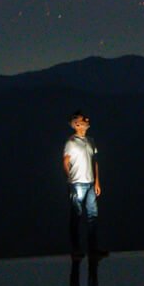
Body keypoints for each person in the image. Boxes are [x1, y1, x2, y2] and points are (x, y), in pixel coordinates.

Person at [63, 110, 103, 259]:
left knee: (92, 216)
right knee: (77, 216)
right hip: (78, 183)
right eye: (83, 119)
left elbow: (95, 162)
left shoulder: (91, 140)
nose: (87, 120)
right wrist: (70, 179)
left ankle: (93, 249)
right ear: (76, 124)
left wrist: (97, 181)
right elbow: (65, 162)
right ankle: (76, 249)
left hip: (91, 183)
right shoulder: (71, 142)